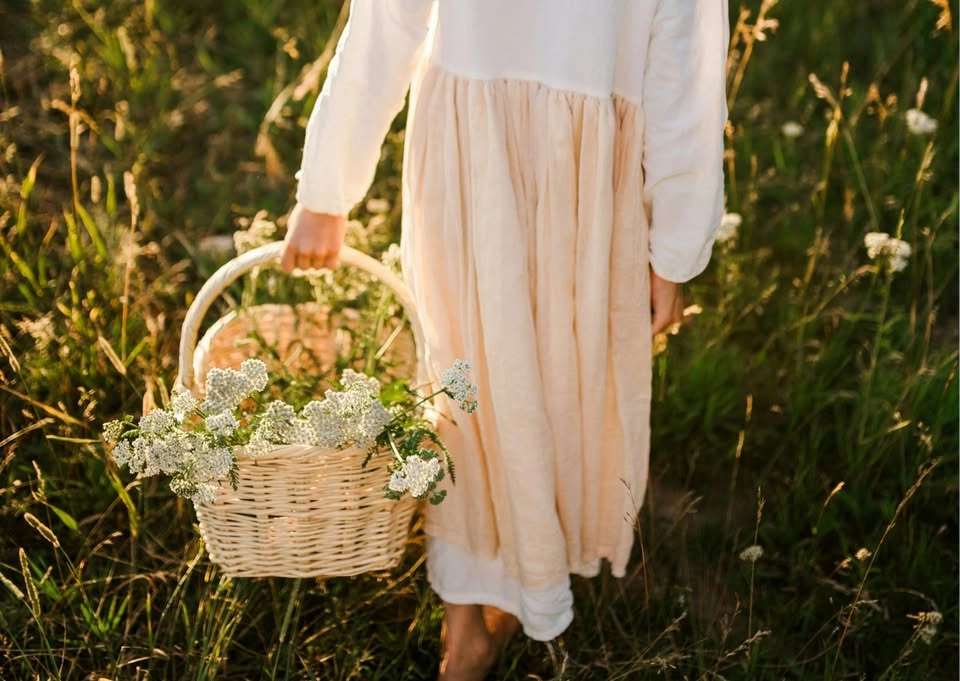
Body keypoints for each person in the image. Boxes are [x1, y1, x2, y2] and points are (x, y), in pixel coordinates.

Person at [282, 1, 729, 678]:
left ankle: (525, 562)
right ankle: (467, 606)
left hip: (584, 167)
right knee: (464, 372)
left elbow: (684, 68)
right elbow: (388, 22)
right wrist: (325, 191)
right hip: (471, 142)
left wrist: (674, 241)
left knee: (558, 374)